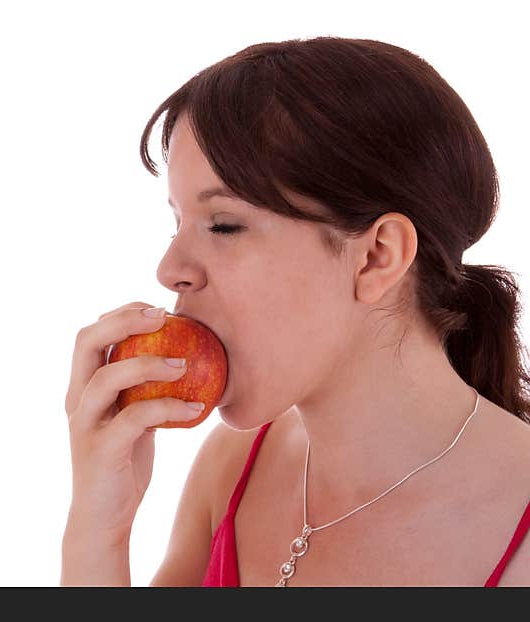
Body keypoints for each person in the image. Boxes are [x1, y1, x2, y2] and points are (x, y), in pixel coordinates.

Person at [60, 36, 530, 586]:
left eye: (223, 225)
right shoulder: (233, 466)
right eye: (178, 222)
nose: (170, 269)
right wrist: (97, 532)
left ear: (377, 256)